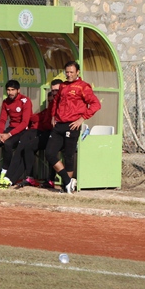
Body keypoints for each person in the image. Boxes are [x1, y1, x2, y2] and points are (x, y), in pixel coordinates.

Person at [45, 61, 101, 193]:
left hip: (72, 125)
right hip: (59, 124)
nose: (69, 74)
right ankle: (68, 181)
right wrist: (53, 116)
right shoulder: (63, 86)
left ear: (77, 72)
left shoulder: (83, 87)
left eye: (71, 72)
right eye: (67, 72)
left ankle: (67, 187)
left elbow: (96, 104)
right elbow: (56, 101)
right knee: (49, 153)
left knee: (68, 156)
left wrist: (82, 119)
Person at [5, 80, 60, 188]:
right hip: (43, 133)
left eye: (56, 91)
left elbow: (48, 123)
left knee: (50, 152)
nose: (53, 96)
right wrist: (26, 113)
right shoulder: (48, 109)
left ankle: (54, 179)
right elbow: (35, 117)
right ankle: (19, 177)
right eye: (52, 92)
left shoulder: (60, 106)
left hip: (55, 134)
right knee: (26, 146)